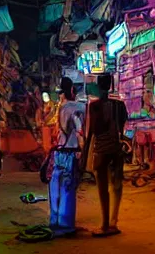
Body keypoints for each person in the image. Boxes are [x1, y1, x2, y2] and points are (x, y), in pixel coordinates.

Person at [82, 74, 128, 237]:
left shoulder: (94, 106)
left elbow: (92, 131)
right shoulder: (119, 105)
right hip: (116, 148)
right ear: (110, 85)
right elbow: (122, 126)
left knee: (102, 188)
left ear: (98, 86)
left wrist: (84, 156)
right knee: (116, 186)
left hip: (101, 149)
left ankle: (104, 224)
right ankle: (114, 222)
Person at [49, 77, 86, 236]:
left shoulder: (58, 107)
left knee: (55, 186)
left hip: (58, 151)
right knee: (68, 188)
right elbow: (79, 130)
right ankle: (66, 226)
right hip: (71, 151)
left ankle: (55, 221)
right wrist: (83, 149)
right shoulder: (76, 107)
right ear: (71, 90)